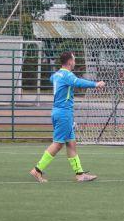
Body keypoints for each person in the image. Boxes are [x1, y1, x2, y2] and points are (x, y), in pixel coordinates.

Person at [30, 51, 104, 183]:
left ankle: (80, 174)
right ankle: (37, 170)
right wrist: (95, 84)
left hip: (58, 112)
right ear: (70, 62)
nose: (75, 62)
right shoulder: (67, 75)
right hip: (64, 113)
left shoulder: (57, 74)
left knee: (71, 143)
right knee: (58, 144)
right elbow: (78, 82)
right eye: (74, 60)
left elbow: (52, 79)